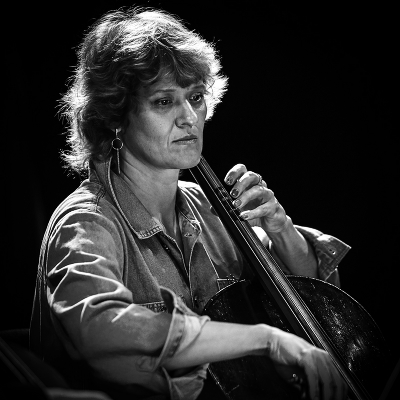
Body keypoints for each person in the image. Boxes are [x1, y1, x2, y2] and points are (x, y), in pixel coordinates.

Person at [30, 7, 350, 400]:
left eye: (196, 97)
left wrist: (281, 230)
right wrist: (264, 339)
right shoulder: (87, 222)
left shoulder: (210, 209)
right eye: (164, 101)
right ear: (115, 116)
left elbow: (317, 301)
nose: (189, 118)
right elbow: (99, 329)